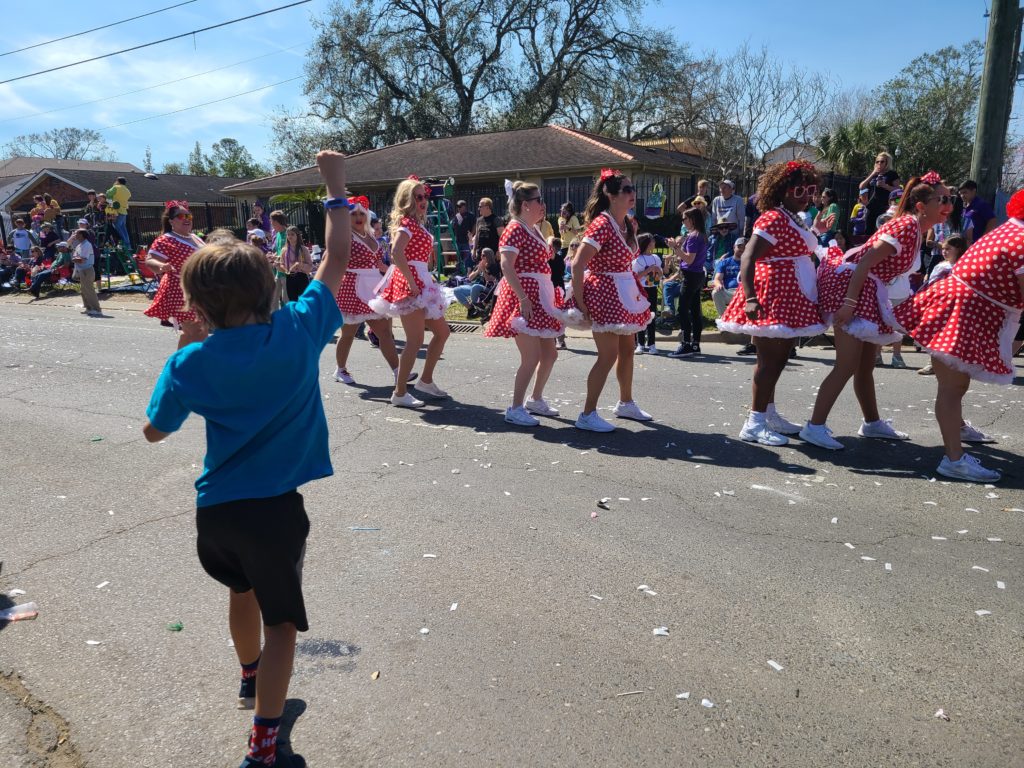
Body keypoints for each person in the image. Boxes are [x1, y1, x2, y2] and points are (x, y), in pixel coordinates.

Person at [143, 150, 350, 768]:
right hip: (272, 513)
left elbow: (154, 432)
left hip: (217, 515)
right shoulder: (297, 331)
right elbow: (337, 258)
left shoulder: (189, 362)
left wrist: (181, 352)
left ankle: (248, 676)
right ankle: (263, 746)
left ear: (198, 306)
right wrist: (334, 185)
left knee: (241, 590)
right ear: (270, 287)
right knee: (282, 622)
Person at [801, 172, 952, 450]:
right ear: (921, 206)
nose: (949, 205)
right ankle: (814, 426)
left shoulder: (914, 228)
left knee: (865, 365)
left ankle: (872, 423)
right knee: (847, 364)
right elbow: (865, 262)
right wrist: (849, 303)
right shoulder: (906, 226)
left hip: (867, 288)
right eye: (942, 200)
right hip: (852, 285)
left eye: (950, 199)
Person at [894, 193, 1024, 481]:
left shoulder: (1010, 228)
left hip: (957, 304)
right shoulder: (1021, 239)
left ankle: (958, 430)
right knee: (952, 387)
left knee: (953, 385)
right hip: (963, 309)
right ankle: (954, 460)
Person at [716, 161, 827, 445]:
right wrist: (751, 297)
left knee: (780, 359)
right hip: (772, 294)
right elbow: (748, 256)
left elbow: (796, 246)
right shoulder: (773, 218)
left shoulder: (792, 217)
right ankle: (754, 423)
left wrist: (815, 230)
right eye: (799, 190)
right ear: (782, 190)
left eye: (810, 190)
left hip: (791, 293)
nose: (805, 195)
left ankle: (769, 414)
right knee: (769, 362)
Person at [564, 168, 654, 432]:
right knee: (608, 355)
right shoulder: (602, 224)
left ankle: (626, 403)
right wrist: (580, 302)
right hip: (604, 294)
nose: (632, 193)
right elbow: (577, 264)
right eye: (627, 189)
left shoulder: (627, 223)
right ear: (611, 195)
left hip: (624, 292)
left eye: (632, 188)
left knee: (628, 350)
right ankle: (587, 414)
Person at [484, 182, 566, 426]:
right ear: (525, 205)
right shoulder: (514, 228)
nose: (543, 204)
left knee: (549, 354)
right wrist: (523, 298)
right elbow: (506, 265)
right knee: (531, 357)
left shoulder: (533, 228)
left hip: (541, 295)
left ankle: (535, 399)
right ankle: (515, 408)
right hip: (526, 297)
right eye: (538, 200)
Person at [369, 176, 451, 407]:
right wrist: (411, 281)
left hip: (422, 280)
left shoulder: (417, 224)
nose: (423, 200)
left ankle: (425, 381)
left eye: (425, 196)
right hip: (411, 283)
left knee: (442, 332)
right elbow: (396, 253)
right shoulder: (406, 223)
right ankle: (399, 393)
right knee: (415, 340)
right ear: (407, 200)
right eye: (418, 197)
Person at [333, 196, 419, 387]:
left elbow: (379, 260)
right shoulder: (345, 236)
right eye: (353, 214)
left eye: (361, 213)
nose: (358, 217)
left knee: (385, 332)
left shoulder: (370, 235)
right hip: (353, 288)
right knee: (348, 333)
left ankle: (398, 372)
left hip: (375, 286)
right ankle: (340, 369)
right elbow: (332, 259)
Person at [144, 201, 207, 341]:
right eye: (181, 216)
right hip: (181, 290)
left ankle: (185, 356)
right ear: (171, 221)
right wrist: (161, 266)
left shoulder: (195, 237)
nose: (186, 219)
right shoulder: (165, 240)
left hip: (200, 290)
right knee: (195, 332)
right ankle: (187, 356)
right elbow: (150, 260)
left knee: (200, 332)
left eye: (188, 216)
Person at [916, 235, 968, 377]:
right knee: (936, 334)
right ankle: (932, 363)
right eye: (943, 249)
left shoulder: (965, 266)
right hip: (939, 305)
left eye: (948, 249)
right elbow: (931, 284)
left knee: (955, 335)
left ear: (959, 249)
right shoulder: (940, 266)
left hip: (958, 306)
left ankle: (956, 364)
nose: (944, 252)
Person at [668, 208, 709, 358]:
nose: (683, 221)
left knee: (683, 309)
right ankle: (695, 344)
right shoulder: (702, 235)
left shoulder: (693, 236)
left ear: (692, 219)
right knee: (695, 310)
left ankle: (686, 344)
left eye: (685, 218)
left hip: (690, 275)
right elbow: (691, 258)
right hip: (698, 275)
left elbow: (689, 259)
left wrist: (675, 247)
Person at [632, 234, 663, 354]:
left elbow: (661, 274)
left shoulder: (656, 258)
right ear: (647, 244)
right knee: (641, 315)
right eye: (652, 241)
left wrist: (659, 271)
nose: (654, 243)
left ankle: (652, 344)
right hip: (641, 289)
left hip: (653, 288)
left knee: (652, 316)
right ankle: (640, 344)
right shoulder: (638, 260)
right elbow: (635, 277)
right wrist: (648, 270)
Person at [861, 152, 900, 237]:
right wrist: (873, 173)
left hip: (885, 206)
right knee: (868, 230)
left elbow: (898, 190)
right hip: (871, 205)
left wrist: (885, 186)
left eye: (882, 161)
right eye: (877, 161)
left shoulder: (892, 174)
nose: (879, 163)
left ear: (887, 163)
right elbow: (861, 186)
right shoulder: (874, 174)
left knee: (881, 230)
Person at [453, 248, 502, 316]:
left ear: (489, 255)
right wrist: (478, 271)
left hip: (488, 289)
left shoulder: (493, 266)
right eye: (481, 255)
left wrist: (483, 270)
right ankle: (471, 309)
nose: (481, 257)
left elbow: (489, 280)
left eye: (483, 255)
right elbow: (470, 278)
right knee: (457, 290)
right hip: (475, 286)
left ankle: (478, 307)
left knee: (475, 287)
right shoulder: (480, 264)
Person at [69, 228, 102, 316]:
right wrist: (75, 259)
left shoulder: (87, 245)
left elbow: (82, 260)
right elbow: (75, 257)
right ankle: (89, 308)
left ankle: (97, 309)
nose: (75, 235)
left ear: (81, 235)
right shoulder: (79, 245)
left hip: (87, 270)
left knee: (89, 290)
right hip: (81, 270)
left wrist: (74, 259)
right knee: (84, 290)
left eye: (76, 233)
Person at [711, 236, 744, 317]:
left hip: (745, 292)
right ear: (734, 247)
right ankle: (724, 317)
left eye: (744, 247)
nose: (742, 249)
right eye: (739, 246)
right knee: (716, 293)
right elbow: (717, 279)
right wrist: (718, 284)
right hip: (729, 292)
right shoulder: (725, 262)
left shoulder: (751, 262)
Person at [281, 226, 313, 303]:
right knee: (293, 301)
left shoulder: (303, 249)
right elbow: (282, 264)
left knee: (303, 301)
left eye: (292, 234)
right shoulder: (284, 250)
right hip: (290, 277)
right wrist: (284, 269)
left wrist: (300, 265)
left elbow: (310, 266)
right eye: (288, 234)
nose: (290, 236)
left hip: (301, 276)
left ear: (297, 236)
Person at [711, 180, 745, 252]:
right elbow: (714, 218)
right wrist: (715, 233)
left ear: (731, 189)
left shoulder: (738, 200)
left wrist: (741, 234)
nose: (721, 190)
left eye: (724, 188)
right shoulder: (716, 200)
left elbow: (741, 219)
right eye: (720, 188)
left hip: (734, 234)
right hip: (720, 234)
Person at [105, 176, 132, 252]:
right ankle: (128, 245)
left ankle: (124, 242)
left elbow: (108, 194)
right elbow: (129, 196)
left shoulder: (116, 187)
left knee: (117, 225)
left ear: (118, 181)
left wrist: (111, 201)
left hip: (117, 210)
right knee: (123, 228)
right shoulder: (127, 190)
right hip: (124, 211)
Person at [268, 210, 290, 308]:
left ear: (277, 222)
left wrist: (277, 257)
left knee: (285, 299)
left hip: (286, 272)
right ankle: (273, 316)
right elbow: (279, 250)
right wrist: (273, 255)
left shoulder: (289, 234)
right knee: (273, 298)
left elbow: (291, 253)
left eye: (271, 221)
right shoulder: (277, 234)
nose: (270, 223)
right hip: (278, 271)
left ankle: (287, 316)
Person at [452, 199, 476, 270]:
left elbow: (475, 225)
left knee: (468, 257)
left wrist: (471, 234)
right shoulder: (456, 216)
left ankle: (468, 270)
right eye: (457, 207)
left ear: (464, 206)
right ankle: (459, 270)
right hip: (458, 240)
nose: (458, 208)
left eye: (460, 206)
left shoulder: (470, 215)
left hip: (467, 240)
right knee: (459, 257)